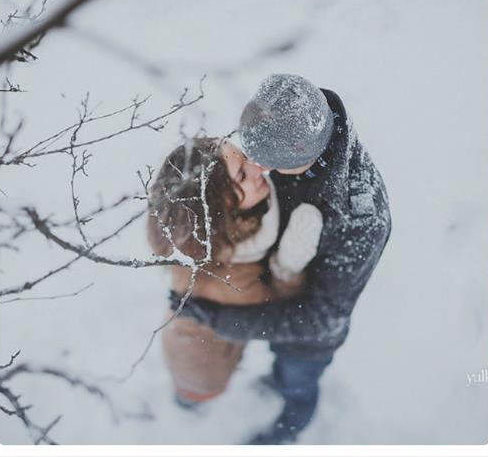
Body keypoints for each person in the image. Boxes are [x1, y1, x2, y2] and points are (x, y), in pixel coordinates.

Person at [175, 74, 392, 444]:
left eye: (267, 164)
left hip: (306, 341)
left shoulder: (361, 220)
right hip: (268, 294)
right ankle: (273, 380)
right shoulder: (289, 117)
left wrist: (224, 320)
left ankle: (285, 432)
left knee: (297, 383)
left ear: (300, 154)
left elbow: (323, 320)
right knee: (279, 371)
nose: (259, 171)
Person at [148, 138, 323, 407]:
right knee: (196, 393)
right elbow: (283, 310)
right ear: (220, 208)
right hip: (202, 365)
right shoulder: (225, 282)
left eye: (243, 156)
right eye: (242, 174)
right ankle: (189, 404)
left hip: (190, 340)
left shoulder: (196, 235)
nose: (258, 168)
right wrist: (288, 265)